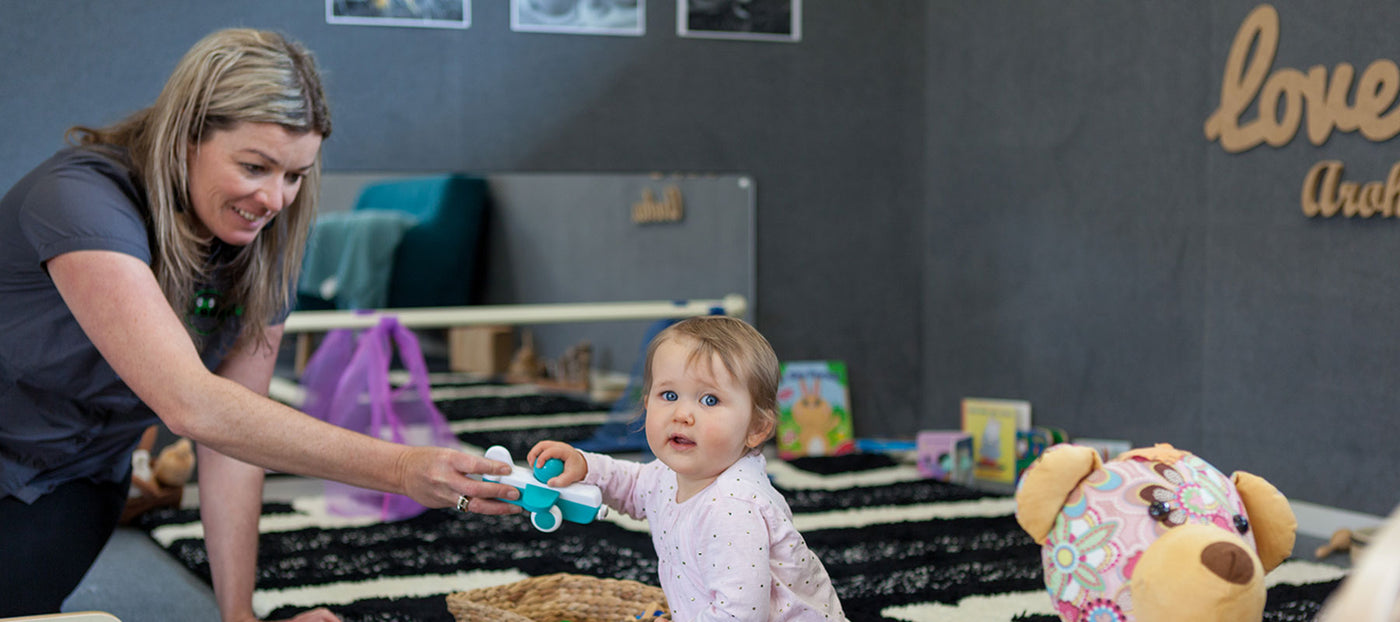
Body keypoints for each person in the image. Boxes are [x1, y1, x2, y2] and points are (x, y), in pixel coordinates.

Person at [0, 28, 521, 621]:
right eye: (255, 166)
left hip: (76, 478)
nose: (275, 199)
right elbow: (192, 405)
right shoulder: (79, 200)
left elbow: (232, 442)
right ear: (185, 138)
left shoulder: (264, 244)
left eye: (295, 175)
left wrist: (240, 617)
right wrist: (401, 467)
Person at [528, 316, 847, 621]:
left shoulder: (731, 508)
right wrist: (585, 466)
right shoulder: (671, 474)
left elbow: (740, 614)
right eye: (669, 395)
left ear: (757, 428)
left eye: (709, 400)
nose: (682, 414)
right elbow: (633, 485)